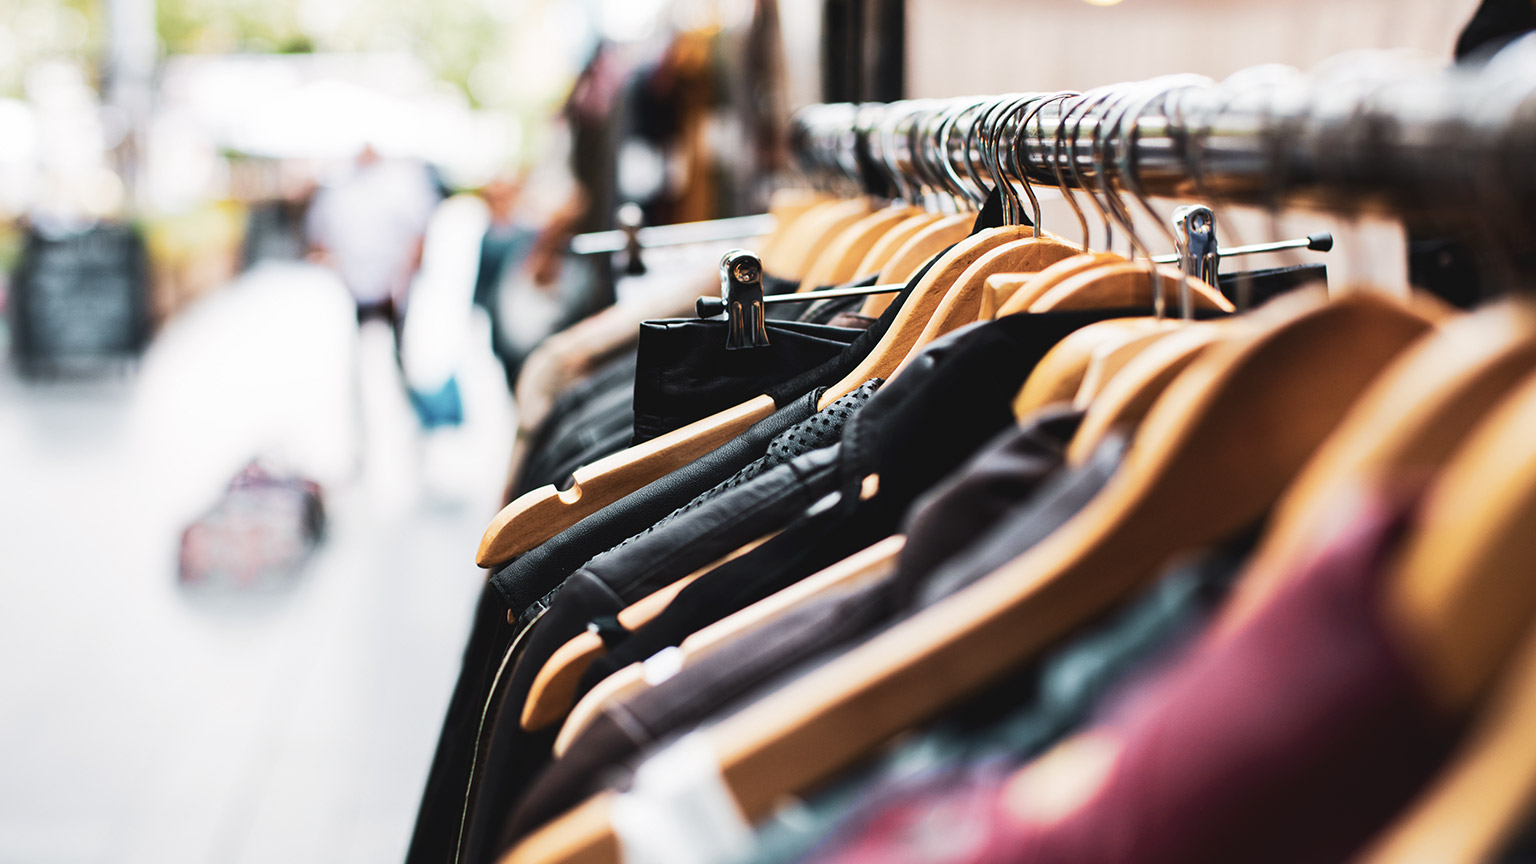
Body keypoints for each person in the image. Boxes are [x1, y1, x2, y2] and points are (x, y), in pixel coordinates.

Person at [305, 144, 441, 342]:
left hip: (393, 290)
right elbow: (319, 237)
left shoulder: (401, 184)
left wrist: (402, 280)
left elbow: (420, 234)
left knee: (396, 345)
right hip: (352, 288)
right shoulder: (340, 186)